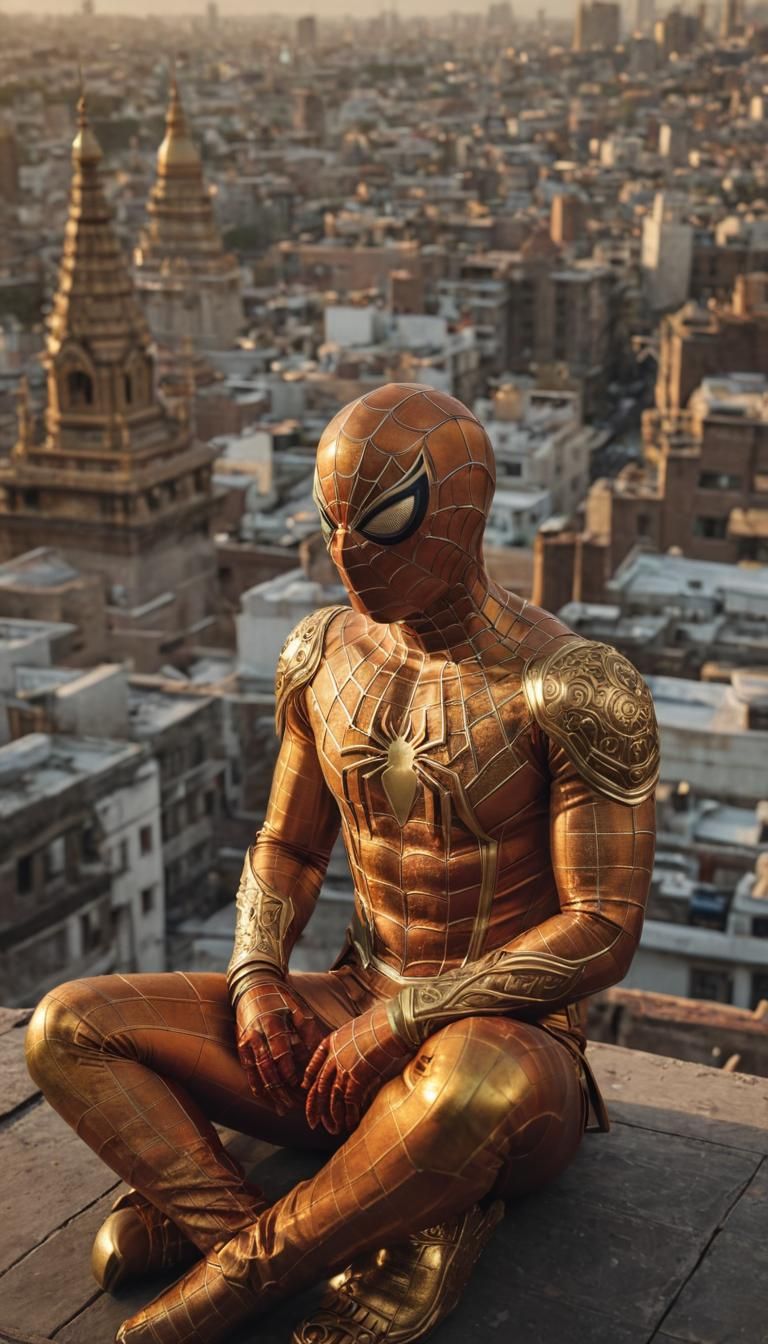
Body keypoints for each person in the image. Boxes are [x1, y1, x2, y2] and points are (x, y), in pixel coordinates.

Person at [25, 384, 658, 1344]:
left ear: (460, 512)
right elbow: (287, 847)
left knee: (468, 1087)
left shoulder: (570, 687)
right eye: (329, 522)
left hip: (503, 1045)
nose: (348, 549)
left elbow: (604, 927)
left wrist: (408, 1016)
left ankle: (238, 1272)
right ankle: (310, 1225)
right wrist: (255, 979)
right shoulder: (322, 654)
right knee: (68, 1027)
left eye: (384, 520)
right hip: (350, 1003)